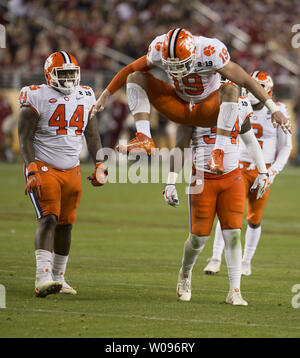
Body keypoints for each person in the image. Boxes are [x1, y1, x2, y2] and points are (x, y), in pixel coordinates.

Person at [91, 28, 291, 174]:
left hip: (209, 109)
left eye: (183, 64)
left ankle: (218, 152)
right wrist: (107, 93)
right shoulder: (159, 47)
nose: (177, 70)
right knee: (135, 77)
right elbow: (131, 68)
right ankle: (144, 136)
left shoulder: (210, 50)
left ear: (194, 54)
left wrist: (273, 108)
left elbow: (246, 80)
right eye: (172, 66)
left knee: (231, 88)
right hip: (179, 106)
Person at [163, 90, 270, 306]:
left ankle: (235, 290)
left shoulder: (240, 104)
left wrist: (262, 171)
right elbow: (180, 146)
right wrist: (170, 181)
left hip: (232, 179)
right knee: (198, 238)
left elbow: (249, 141)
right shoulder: (194, 106)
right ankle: (185, 273)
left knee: (232, 234)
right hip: (203, 179)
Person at [18, 51, 107, 298]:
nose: (68, 78)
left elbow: (92, 133)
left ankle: (58, 278)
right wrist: (31, 168)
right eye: (63, 73)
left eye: (71, 73)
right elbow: (24, 137)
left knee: (66, 225)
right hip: (44, 166)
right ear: (50, 75)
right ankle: (42, 278)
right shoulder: (36, 95)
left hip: (72, 169)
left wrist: (100, 164)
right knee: (49, 218)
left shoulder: (86, 94)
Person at [203, 71, 292, 276]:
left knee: (254, 218)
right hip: (239, 168)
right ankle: (216, 258)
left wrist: (272, 172)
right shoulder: (238, 104)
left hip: (263, 170)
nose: (251, 91)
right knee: (228, 213)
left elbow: (286, 147)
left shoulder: (278, 110)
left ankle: (246, 261)